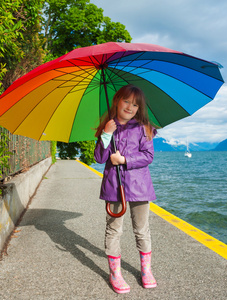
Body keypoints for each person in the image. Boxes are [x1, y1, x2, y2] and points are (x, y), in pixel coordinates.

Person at [94, 84, 157, 294]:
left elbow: (148, 156)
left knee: (141, 229)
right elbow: (99, 157)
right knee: (114, 229)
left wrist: (124, 159)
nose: (130, 107)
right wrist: (106, 133)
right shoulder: (108, 126)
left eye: (135, 104)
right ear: (117, 101)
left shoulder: (143, 128)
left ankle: (146, 270)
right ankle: (115, 273)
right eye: (127, 101)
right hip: (115, 186)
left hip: (139, 186)